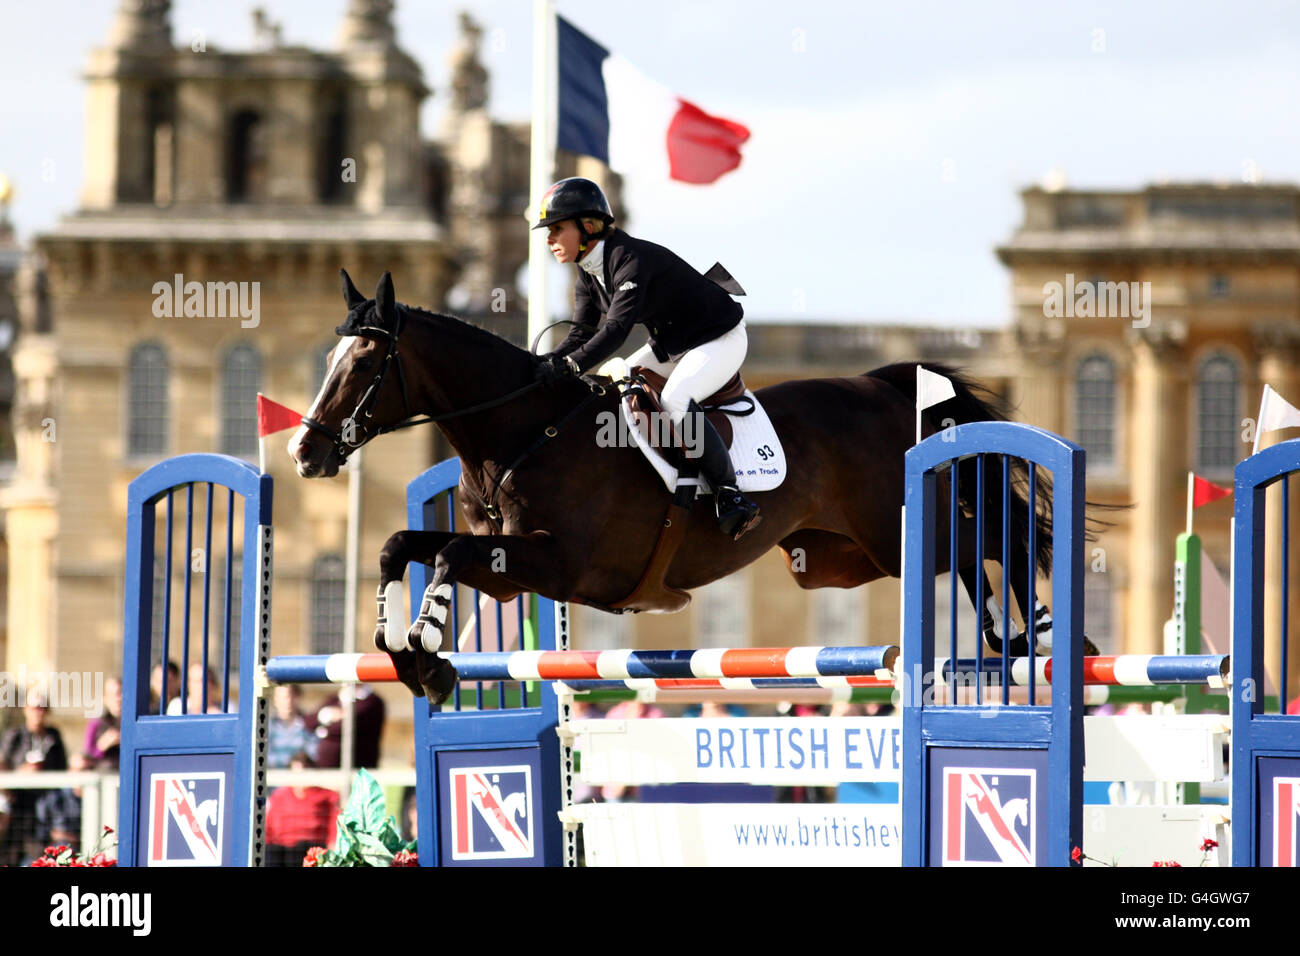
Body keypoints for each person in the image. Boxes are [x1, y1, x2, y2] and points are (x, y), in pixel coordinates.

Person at [532, 177, 761, 540]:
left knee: (675, 399)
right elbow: (580, 334)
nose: (549, 240)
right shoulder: (587, 271)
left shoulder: (629, 259)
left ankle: (729, 494)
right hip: (674, 342)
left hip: (720, 337)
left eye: (557, 229)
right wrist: (544, 364)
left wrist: (571, 365)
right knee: (619, 387)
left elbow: (616, 330)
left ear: (588, 227)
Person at [0, 692, 68, 865]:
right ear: (26, 709)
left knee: (42, 851)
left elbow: (62, 767)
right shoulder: (14, 735)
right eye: (35, 707)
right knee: (12, 851)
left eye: (43, 707)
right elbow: (4, 764)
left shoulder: (53, 736)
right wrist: (20, 771)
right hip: (18, 803)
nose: (39, 712)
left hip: (46, 802)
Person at [264, 751, 339, 867]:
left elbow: (335, 827)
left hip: (314, 849)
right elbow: (268, 829)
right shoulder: (280, 796)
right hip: (283, 851)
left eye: (304, 772)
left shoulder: (327, 796)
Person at [268, 684, 319, 769]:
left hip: (302, 778)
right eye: (282, 697)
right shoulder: (267, 727)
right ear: (275, 700)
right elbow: (263, 757)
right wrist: (289, 761)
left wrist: (303, 759)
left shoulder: (310, 724)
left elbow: (315, 753)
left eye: (291, 696)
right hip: (274, 779)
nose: (287, 701)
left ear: (298, 697)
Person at [82, 676, 122, 769]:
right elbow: (87, 757)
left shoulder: (133, 722)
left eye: (121, 693)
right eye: (114, 694)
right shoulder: (96, 723)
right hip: (103, 775)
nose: (118, 699)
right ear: (105, 698)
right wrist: (102, 745)